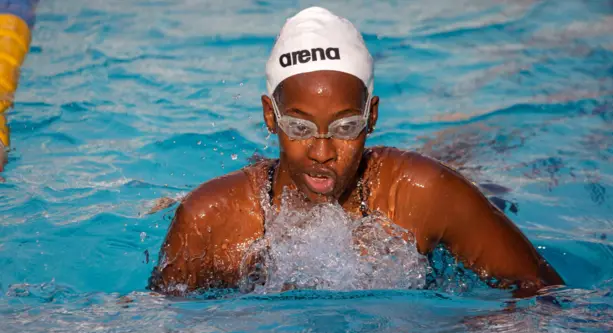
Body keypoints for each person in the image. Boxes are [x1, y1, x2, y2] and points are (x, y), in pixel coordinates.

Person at [148, 6, 564, 297]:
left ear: (373, 117)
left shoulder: (422, 193)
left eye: (346, 127)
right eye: (299, 127)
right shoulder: (210, 220)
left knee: (471, 169)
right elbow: (156, 329)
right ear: (269, 117)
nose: (323, 151)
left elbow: (544, 293)